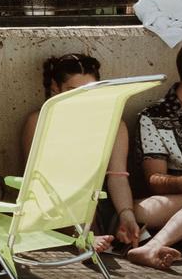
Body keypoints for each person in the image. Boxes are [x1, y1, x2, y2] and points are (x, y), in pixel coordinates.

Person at [19, 52, 141, 254]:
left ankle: (112, 235)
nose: (82, 97)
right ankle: (81, 236)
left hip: (96, 201)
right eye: (72, 90)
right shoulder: (39, 121)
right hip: (53, 200)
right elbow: (35, 179)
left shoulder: (114, 125)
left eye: (89, 91)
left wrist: (126, 214)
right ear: (55, 89)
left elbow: (117, 177)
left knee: (107, 206)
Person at [127, 42, 182, 271]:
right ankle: (152, 246)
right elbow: (155, 180)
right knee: (135, 211)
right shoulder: (154, 117)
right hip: (165, 205)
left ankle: (152, 247)